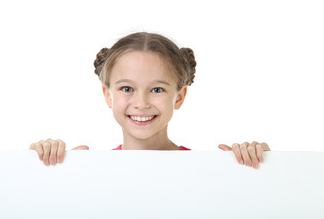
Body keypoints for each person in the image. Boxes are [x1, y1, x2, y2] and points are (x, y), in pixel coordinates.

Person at [30, 32, 270, 169]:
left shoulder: (208, 169)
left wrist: (260, 165)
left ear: (179, 96)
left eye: (156, 89)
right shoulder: (89, 169)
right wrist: (40, 164)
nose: (141, 103)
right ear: (108, 95)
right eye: (127, 88)